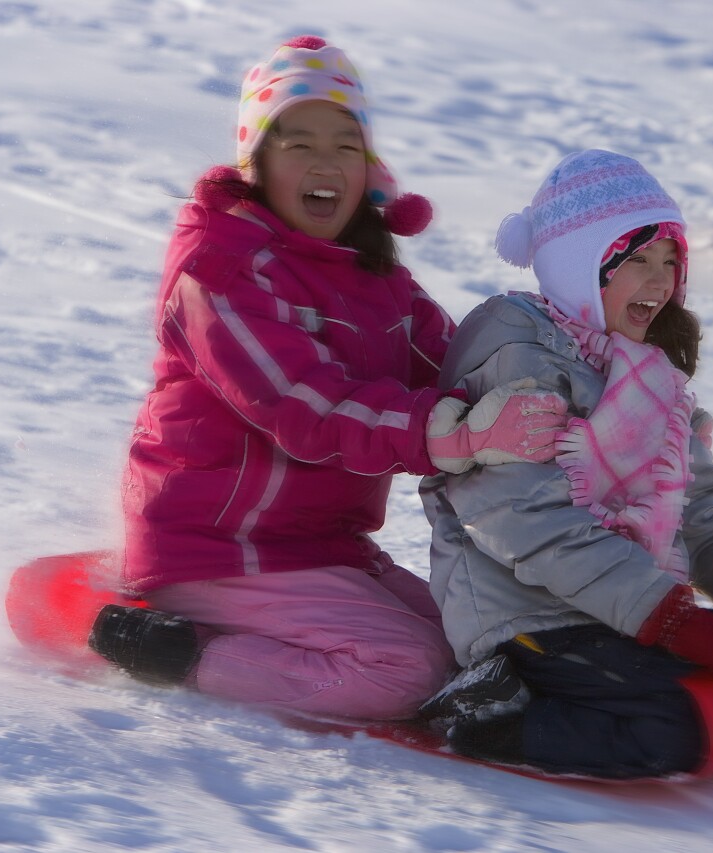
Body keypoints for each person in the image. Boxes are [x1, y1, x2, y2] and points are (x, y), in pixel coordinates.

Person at [86, 36, 567, 722]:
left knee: (480, 634)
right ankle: (184, 652)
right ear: (256, 163)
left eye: (346, 145)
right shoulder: (221, 271)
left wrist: (569, 396)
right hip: (216, 549)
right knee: (408, 668)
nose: (325, 163)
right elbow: (301, 404)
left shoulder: (372, 276)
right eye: (299, 143)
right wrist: (458, 435)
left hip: (323, 547)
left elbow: (458, 366)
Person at [418, 149, 713, 778]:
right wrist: (675, 622)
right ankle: (489, 712)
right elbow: (529, 524)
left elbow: (697, 511)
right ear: (580, 268)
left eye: (671, 261)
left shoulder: (648, 376)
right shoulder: (518, 356)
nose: (661, 282)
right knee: (676, 725)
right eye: (638, 261)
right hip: (524, 619)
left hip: (626, 613)